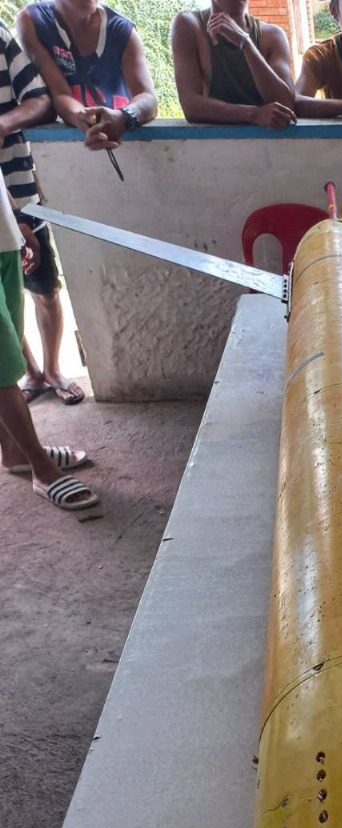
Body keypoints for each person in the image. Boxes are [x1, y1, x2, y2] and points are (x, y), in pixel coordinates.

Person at [0, 20, 85, 408]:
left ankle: (51, 370)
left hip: (18, 189)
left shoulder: (0, 35)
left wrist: (3, 123)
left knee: (44, 286)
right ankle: (29, 372)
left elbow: (39, 99)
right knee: (5, 300)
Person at [0, 184, 97, 510]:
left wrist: (15, 219)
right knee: (1, 370)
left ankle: (15, 452)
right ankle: (42, 468)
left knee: (9, 351)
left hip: (4, 239)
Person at [16, 1, 157, 153]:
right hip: (65, 153)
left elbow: (148, 98)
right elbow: (60, 94)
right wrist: (89, 121)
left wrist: (124, 117)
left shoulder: (122, 30)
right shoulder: (34, 21)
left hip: (128, 150)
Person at [172, 1, 296, 129]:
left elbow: (286, 105)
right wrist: (254, 114)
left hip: (273, 144)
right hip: (213, 145)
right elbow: (191, 106)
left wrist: (246, 43)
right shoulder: (189, 25)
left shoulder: (273, 35)